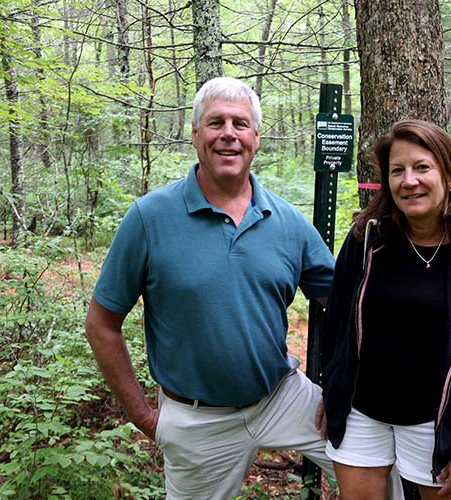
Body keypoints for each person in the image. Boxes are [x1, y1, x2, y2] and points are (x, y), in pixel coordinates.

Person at [85, 76, 338, 499]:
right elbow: (101, 323)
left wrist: (343, 389)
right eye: (216, 122)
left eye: (240, 124)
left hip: (280, 396)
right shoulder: (150, 217)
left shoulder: (288, 221)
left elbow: (351, 304)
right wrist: (144, 415)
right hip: (195, 419)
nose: (228, 134)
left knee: (377, 462)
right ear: (195, 134)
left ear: (256, 137)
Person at [318, 120, 451, 500]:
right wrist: (332, 391)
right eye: (397, 170)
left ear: (450, 175)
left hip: (434, 424)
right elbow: (336, 322)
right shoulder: (366, 240)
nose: (409, 181)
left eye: (422, 167)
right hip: (362, 414)